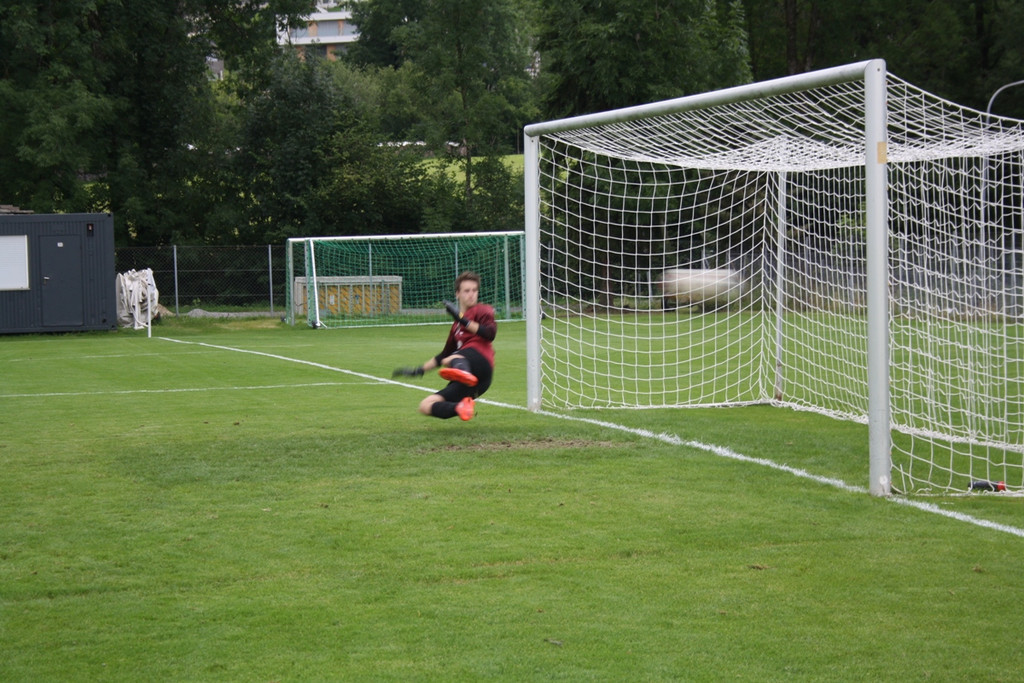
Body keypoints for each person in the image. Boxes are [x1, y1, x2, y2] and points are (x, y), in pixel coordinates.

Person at [392, 271, 496, 421]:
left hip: (482, 364)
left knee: (451, 359)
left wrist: (461, 319)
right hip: (477, 382)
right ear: (457, 294)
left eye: (474, 290)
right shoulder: (456, 327)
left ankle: (463, 371)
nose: (471, 294)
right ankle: (461, 407)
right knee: (426, 405)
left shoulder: (482, 310)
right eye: (467, 291)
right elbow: (443, 355)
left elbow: (490, 333)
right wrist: (418, 370)